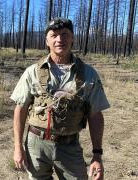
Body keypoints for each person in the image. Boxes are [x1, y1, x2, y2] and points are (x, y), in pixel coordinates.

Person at [10, 17, 110, 180]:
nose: (59, 39)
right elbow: (20, 109)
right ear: (47, 41)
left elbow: (95, 115)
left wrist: (97, 156)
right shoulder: (32, 72)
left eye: (64, 34)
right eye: (54, 35)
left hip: (69, 145)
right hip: (36, 145)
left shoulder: (88, 74)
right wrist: (17, 147)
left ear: (72, 38)